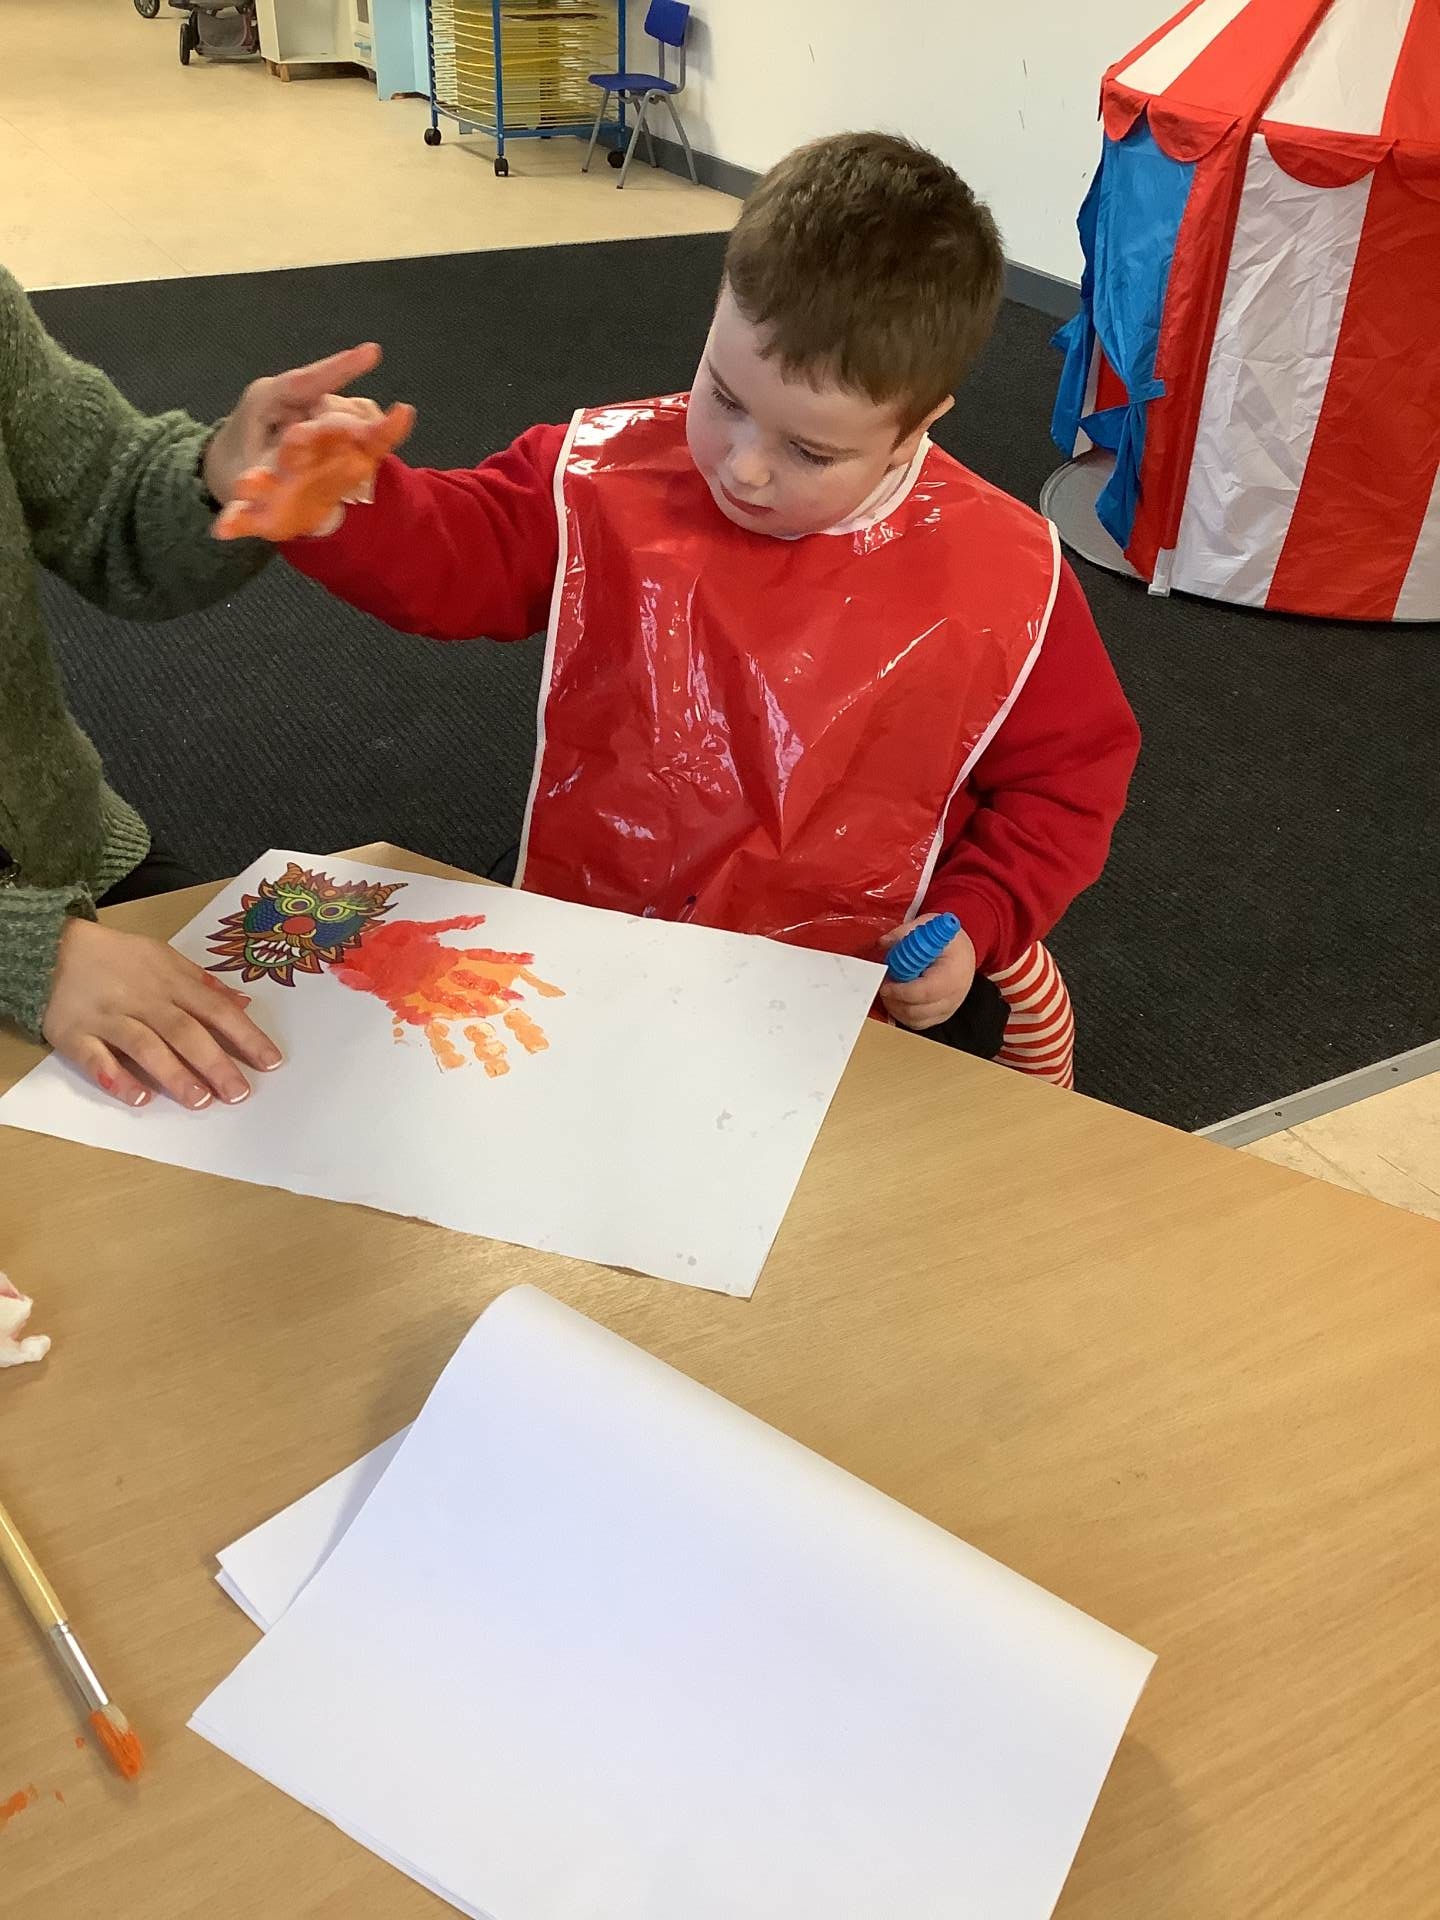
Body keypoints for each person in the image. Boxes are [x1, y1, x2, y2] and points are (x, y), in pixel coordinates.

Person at [225, 134, 1140, 1088]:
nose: (744, 467)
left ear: (918, 426)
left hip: (847, 980)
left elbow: (1068, 782)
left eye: (811, 452)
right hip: (604, 920)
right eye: (724, 395)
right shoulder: (603, 472)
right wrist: (350, 505)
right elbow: (465, 556)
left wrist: (978, 914)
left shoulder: (1007, 579)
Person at [0, 265, 391, 1110]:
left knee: (310, 1082)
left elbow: (106, 499)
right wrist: (26, 950)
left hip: (71, 852)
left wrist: (224, 473)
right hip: (29, 947)